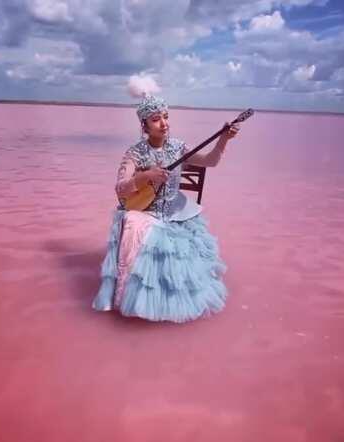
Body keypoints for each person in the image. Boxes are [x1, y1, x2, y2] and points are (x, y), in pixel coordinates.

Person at [92, 92, 239, 322]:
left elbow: (209, 161)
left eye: (165, 117)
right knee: (132, 224)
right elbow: (120, 189)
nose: (164, 123)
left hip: (175, 212)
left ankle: (173, 301)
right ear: (144, 126)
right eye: (156, 119)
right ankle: (135, 299)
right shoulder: (134, 153)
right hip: (147, 212)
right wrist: (146, 176)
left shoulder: (178, 147)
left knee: (172, 239)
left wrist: (223, 140)